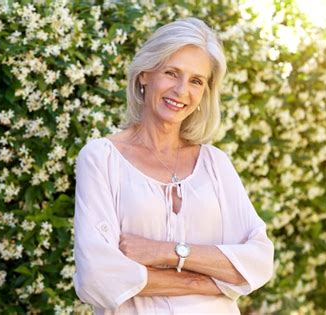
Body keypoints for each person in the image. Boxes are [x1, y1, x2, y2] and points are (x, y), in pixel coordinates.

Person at [73, 18, 274, 314]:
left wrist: (162, 253)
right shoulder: (101, 158)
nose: (182, 90)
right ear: (145, 75)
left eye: (196, 81)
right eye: (171, 73)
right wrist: (207, 279)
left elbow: (258, 260)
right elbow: (97, 277)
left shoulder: (215, 163)